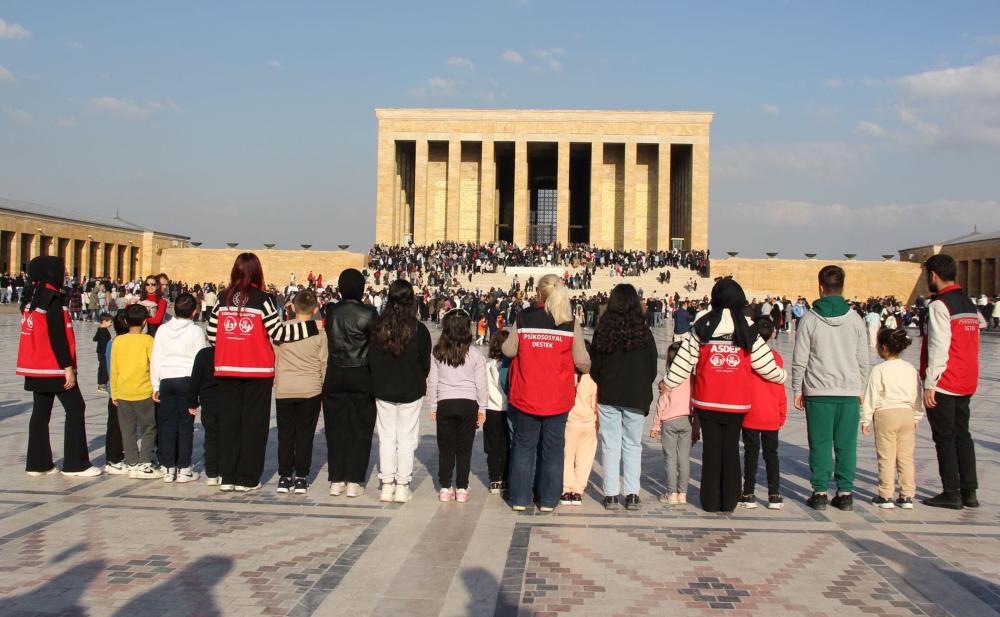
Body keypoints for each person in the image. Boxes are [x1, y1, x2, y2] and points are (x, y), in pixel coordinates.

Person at [663, 279, 785, 513]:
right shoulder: (747, 327)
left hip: (707, 400)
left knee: (711, 449)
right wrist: (782, 375)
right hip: (736, 403)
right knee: (730, 449)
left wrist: (668, 383)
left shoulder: (703, 325)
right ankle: (729, 500)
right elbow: (764, 363)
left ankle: (710, 501)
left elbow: (684, 359)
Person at [208, 253, 320, 492]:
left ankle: (227, 476)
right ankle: (247, 478)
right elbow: (278, 333)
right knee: (253, 425)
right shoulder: (263, 299)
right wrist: (310, 327)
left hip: (227, 369)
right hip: (256, 371)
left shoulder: (222, 298)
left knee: (229, 423)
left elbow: (211, 335)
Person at [503, 274, 591, 513]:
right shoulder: (569, 322)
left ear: (539, 293)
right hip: (557, 397)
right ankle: (549, 500)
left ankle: (520, 498)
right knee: (553, 448)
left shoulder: (524, 317)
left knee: (523, 446)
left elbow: (509, 350)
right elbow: (583, 361)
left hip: (527, 392)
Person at [791, 265, 869, 511]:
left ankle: (820, 492)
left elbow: (800, 358)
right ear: (842, 287)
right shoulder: (856, 319)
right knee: (847, 445)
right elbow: (863, 360)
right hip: (848, 392)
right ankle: (845, 493)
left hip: (818, 391)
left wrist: (797, 389)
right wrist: (861, 389)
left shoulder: (810, 319)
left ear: (820, 288)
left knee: (821, 443)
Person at [18, 256, 100, 478]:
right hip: (53, 366)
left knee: (40, 412)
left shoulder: (33, 297)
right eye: (61, 270)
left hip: (35, 366)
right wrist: (67, 367)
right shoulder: (52, 298)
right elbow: (57, 336)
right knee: (76, 408)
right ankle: (76, 463)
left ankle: (38, 463)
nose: (64, 274)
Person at [920, 254, 985, 509]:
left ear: (934, 275)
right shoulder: (968, 303)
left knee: (944, 437)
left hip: (946, 380)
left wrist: (929, 383)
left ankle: (951, 492)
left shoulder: (939, 305)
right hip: (967, 379)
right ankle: (969, 491)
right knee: (962, 435)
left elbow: (938, 347)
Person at [590, 284, 659, 511]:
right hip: (636, 396)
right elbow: (651, 368)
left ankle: (610, 494)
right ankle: (631, 494)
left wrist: (605, 381)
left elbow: (595, 367)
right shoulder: (644, 332)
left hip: (610, 394)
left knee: (610, 444)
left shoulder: (603, 330)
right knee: (632, 444)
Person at [369, 280, 431, 504]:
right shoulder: (419, 329)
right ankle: (402, 486)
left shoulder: (379, 326)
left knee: (386, 437)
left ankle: (387, 485)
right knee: (406, 438)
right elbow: (425, 364)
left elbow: (372, 359)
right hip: (410, 390)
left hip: (384, 389)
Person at [322, 268, 378, 498]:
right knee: (361, 428)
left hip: (335, 372)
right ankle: (354, 479)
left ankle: (337, 479)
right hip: (361, 373)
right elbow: (375, 345)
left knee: (335, 428)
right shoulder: (369, 313)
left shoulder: (332, 312)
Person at [427, 309, 488, 503]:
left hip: (445, 403)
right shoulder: (475, 355)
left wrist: (433, 405)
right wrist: (482, 408)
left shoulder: (438, 352)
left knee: (445, 448)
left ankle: (445, 487)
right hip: (468, 404)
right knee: (464, 448)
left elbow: (432, 381)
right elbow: (481, 384)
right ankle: (461, 487)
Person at [273, 290, 328, 495]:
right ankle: (302, 478)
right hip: (310, 390)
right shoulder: (320, 334)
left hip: (285, 388)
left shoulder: (282, 331)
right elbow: (324, 363)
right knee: (305, 434)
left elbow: (276, 357)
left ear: (292, 308)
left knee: (286, 434)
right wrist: (324, 390)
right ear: (315, 310)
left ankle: (285, 476)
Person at [862, 328, 922, 509]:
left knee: (886, 456)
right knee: (906, 457)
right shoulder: (910, 368)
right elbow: (916, 394)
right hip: (906, 413)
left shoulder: (879, 370)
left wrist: (866, 419)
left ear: (884, 347)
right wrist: (917, 416)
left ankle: (886, 494)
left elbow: (871, 395)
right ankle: (906, 495)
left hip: (886, 414)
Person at [150, 293, 207, 484]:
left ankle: (168, 468)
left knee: (167, 424)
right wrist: (198, 389)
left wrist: (155, 385)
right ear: (194, 311)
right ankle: (184, 468)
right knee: (185, 425)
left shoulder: (163, 330)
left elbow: (156, 358)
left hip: (166, 380)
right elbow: (200, 361)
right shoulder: (196, 331)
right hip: (187, 381)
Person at [740, 317, 787, 510]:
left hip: (750, 414)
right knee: (771, 455)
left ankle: (748, 493)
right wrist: (782, 412)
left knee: (751, 454)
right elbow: (780, 388)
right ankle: (774, 494)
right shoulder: (775, 357)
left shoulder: (747, 356)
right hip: (771, 415)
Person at [112, 304, 161, 479]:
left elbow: (114, 369)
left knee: (127, 429)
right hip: (143, 392)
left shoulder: (118, 341)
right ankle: (145, 462)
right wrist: (156, 387)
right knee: (149, 427)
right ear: (145, 321)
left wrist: (114, 392)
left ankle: (131, 462)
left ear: (125, 321)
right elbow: (154, 365)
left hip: (124, 393)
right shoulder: (148, 340)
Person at [651, 342, 697, 506]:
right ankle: (682, 494)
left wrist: (655, 426)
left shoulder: (668, 380)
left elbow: (661, 403)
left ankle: (671, 493)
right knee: (684, 458)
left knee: (670, 458)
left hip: (669, 422)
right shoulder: (692, 378)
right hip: (687, 420)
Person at [561, 341, 598, 507]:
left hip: (569, 422)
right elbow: (595, 404)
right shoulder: (592, 378)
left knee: (567, 457)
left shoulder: (566, 374)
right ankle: (577, 491)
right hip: (588, 423)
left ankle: (566, 489)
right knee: (585, 458)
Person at [484, 330, 512, 494]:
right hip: (509, 408)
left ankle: (495, 478)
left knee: (492, 447)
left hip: (491, 409)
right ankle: (507, 477)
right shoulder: (511, 366)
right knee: (507, 445)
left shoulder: (486, 366)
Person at [102, 310, 129, 475]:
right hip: (120, 392)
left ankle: (112, 458)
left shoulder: (112, 342)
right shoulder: (121, 343)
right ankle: (115, 459)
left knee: (113, 425)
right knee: (118, 426)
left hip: (114, 391)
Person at [189, 344, 220, 485]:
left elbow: (195, 378)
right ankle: (225, 471)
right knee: (229, 436)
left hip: (208, 400)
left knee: (211, 436)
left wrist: (192, 402)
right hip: (228, 399)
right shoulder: (231, 351)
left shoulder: (203, 354)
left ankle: (212, 473)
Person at [94, 312, 112, 393]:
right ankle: (102, 384)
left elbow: (95, 338)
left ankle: (102, 383)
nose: (111, 324)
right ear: (104, 321)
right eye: (110, 322)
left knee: (102, 367)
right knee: (104, 367)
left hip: (100, 352)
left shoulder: (100, 329)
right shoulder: (103, 331)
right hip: (103, 352)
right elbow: (103, 342)